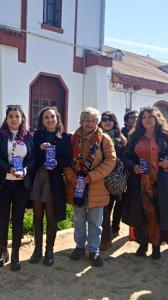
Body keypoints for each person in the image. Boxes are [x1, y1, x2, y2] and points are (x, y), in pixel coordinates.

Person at [123, 106, 168, 260]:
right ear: (140, 120)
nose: (147, 119)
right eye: (144, 117)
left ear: (157, 118)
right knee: (142, 213)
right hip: (141, 183)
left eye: (150, 116)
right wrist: (134, 166)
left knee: (159, 213)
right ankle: (143, 243)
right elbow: (126, 157)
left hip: (162, 183)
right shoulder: (135, 137)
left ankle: (156, 245)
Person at [64, 107, 116, 267]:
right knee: (79, 219)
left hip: (97, 186)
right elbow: (65, 160)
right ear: (81, 121)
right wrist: (71, 176)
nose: (90, 123)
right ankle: (79, 246)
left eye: (93, 120)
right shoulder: (71, 138)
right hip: (76, 185)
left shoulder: (105, 139)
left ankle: (94, 250)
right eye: (87, 120)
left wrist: (92, 176)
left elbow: (111, 160)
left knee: (95, 221)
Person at [0, 105, 35, 271]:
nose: (14, 119)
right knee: (2, 218)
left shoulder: (28, 136)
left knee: (18, 219)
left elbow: (33, 158)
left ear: (22, 119)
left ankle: (15, 253)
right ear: (6, 119)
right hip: (3, 183)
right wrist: (8, 168)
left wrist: (26, 169)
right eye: (11, 116)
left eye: (17, 116)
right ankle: (3, 251)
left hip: (21, 184)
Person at [29, 107, 71, 266]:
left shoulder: (64, 137)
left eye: (52, 116)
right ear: (42, 120)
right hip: (38, 177)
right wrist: (39, 149)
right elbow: (31, 156)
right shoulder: (37, 136)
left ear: (57, 118)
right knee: (37, 216)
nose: (49, 120)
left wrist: (57, 163)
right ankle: (37, 250)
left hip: (54, 180)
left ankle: (49, 250)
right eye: (46, 117)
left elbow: (68, 160)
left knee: (51, 216)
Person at [98, 111, 127, 251]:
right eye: (104, 119)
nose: (107, 122)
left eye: (110, 120)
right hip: (102, 177)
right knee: (106, 206)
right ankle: (106, 233)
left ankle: (115, 228)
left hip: (118, 178)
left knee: (118, 204)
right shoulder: (96, 137)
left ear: (115, 122)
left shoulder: (121, 139)